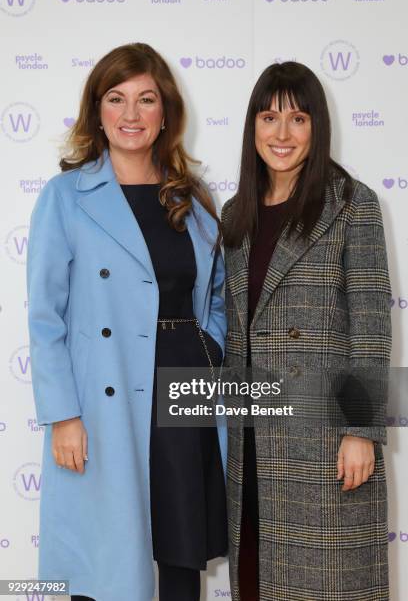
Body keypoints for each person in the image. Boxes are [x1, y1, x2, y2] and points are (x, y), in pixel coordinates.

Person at [27, 42, 228, 601]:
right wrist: (63, 414)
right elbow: (46, 318)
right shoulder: (66, 197)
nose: (131, 115)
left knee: (182, 550)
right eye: (116, 99)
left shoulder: (191, 196)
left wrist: (206, 348)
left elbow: (214, 294)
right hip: (107, 396)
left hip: (187, 387)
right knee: (110, 557)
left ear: (166, 112)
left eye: (146, 99)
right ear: (97, 111)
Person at [221, 62, 391, 600]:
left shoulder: (350, 204)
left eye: (298, 118)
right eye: (269, 118)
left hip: (321, 437)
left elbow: (370, 322)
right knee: (257, 580)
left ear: (317, 126)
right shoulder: (235, 214)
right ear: (252, 127)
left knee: (328, 583)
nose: (282, 134)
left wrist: (361, 430)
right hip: (250, 437)